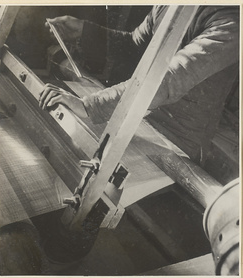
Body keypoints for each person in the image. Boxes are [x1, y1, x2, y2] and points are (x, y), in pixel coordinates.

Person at [39, 6, 239, 165]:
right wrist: (84, 30)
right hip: (138, 119)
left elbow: (168, 78)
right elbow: (134, 46)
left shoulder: (231, 20)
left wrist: (91, 106)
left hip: (175, 143)